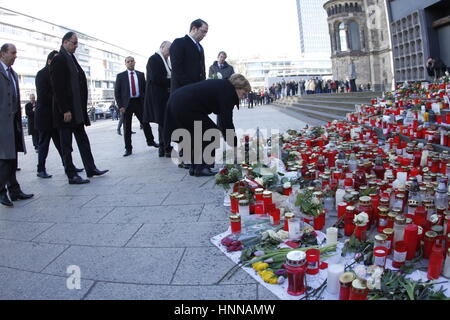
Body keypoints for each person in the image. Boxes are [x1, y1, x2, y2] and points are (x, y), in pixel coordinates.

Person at [50, 32, 109, 185]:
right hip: (67, 113)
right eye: (74, 43)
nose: (76, 46)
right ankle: (71, 174)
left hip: (77, 111)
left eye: (77, 43)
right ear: (65, 42)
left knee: (83, 140)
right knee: (66, 144)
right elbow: (58, 88)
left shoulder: (71, 58)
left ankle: (91, 168)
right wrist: (65, 110)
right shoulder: (59, 60)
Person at [164, 74, 251, 177]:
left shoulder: (223, 86)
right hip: (184, 105)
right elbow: (227, 123)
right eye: (244, 93)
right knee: (211, 133)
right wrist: (235, 147)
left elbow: (224, 122)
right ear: (238, 87)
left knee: (197, 135)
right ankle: (202, 167)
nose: (243, 97)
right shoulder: (228, 92)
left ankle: (195, 167)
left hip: (177, 101)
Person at [35, 50, 83, 179]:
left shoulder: (58, 73)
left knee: (61, 144)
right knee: (44, 144)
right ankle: (41, 168)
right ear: (50, 60)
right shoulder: (41, 74)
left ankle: (68, 166)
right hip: (45, 115)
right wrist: (59, 100)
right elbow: (43, 95)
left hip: (56, 115)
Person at [0, 43, 34, 207]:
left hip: (13, 122)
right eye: (13, 53)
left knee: (12, 158)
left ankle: (14, 190)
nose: (15, 56)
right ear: (3, 54)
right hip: (1, 124)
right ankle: (1, 192)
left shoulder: (12, 73)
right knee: (5, 159)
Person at [115, 56, 158, 157]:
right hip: (126, 105)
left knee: (145, 123)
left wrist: (147, 102)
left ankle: (151, 141)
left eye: (132, 61)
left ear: (135, 62)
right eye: (128, 61)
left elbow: (145, 89)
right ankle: (128, 149)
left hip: (139, 102)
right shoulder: (120, 76)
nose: (130, 63)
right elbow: (117, 92)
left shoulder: (140, 74)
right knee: (127, 127)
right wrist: (120, 106)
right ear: (125, 63)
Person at [144, 41, 173, 158]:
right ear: (161, 47)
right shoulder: (154, 59)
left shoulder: (166, 60)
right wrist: (172, 82)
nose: (170, 52)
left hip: (164, 96)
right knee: (163, 122)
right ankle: (165, 148)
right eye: (168, 49)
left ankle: (164, 148)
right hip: (157, 97)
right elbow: (156, 78)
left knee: (164, 123)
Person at [170, 19, 208, 93]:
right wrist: (191, 86)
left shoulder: (200, 47)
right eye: (203, 31)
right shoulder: (179, 42)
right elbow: (177, 69)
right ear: (194, 29)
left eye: (206, 33)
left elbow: (202, 69)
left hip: (197, 90)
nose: (204, 35)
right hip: (182, 90)